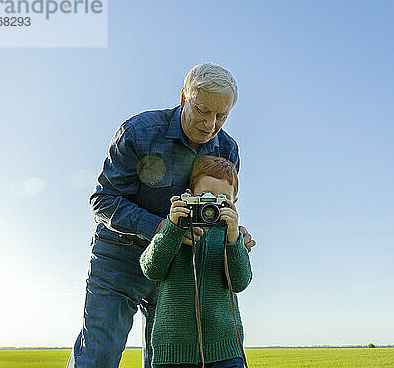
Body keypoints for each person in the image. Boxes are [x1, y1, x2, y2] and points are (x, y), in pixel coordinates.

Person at [68, 63, 256, 368]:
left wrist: (234, 232)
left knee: (163, 360)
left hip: (179, 268)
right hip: (120, 257)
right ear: (184, 96)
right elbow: (103, 200)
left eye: (221, 116)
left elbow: (220, 204)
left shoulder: (227, 149)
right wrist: (164, 229)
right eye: (203, 110)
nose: (210, 124)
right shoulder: (139, 132)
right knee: (99, 352)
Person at [140, 155, 252, 367]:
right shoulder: (176, 231)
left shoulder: (233, 237)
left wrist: (233, 238)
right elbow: (151, 269)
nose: (211, 206)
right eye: (205, 196)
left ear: (234, 202)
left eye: (222, 200)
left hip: (225, 351)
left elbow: (240, 282)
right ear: (190, 196)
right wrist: (173, 229)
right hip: (173, 352)